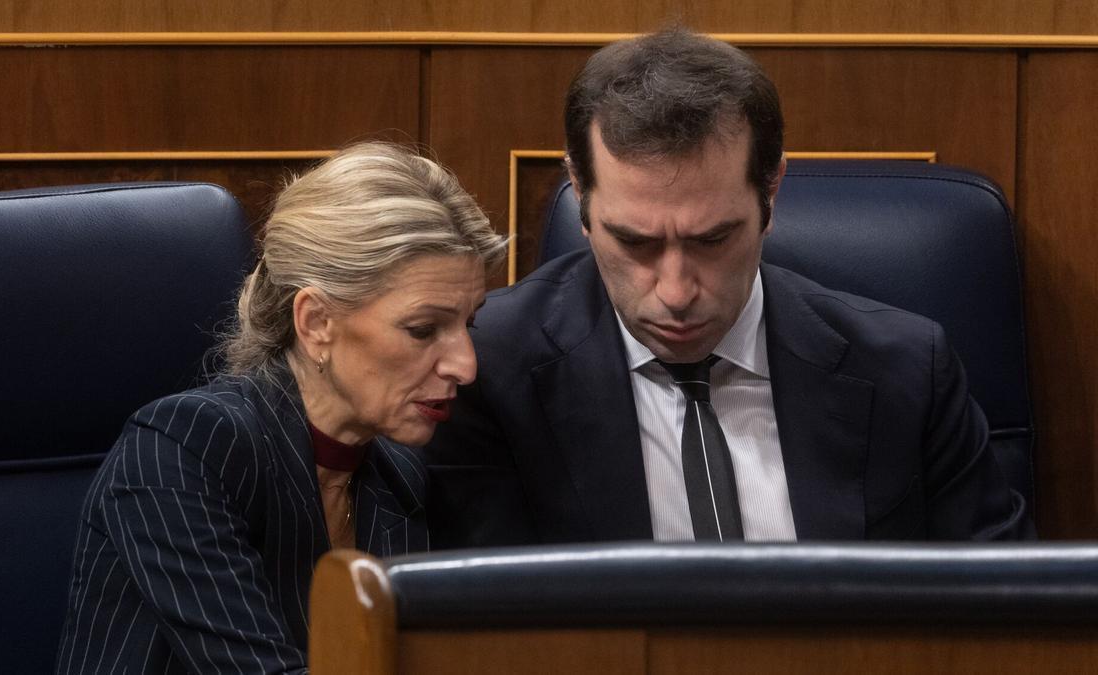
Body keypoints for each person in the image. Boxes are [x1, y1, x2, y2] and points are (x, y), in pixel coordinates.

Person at [421, 29, 1033, 547]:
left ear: (771, 192)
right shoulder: (486, 371)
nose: (676, 290)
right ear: (580, 194)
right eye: (635, 243)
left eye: (712, 240)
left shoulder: (906, 370)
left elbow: (1006, 622)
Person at [56, 142, 507, 674]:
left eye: (468, 324)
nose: (465, 365)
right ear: (316, 322)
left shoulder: (398, 472)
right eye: (424, 329)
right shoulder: (183, 449)